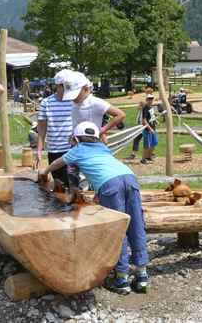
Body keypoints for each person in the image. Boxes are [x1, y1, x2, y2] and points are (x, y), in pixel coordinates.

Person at [39, 122, 149, 294]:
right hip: (130, 178)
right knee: (135, 224)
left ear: (76, 138)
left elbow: (56, 164)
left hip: (110, 185)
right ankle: (142, 274)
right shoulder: (103, 148)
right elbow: (100, 169)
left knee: (116, 229)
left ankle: (122, 279)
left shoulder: (77, 150)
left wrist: (44, 173)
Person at [35, 69, 75, 188]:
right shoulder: (46, 103)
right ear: (58, 86)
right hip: (55, 150)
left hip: (72, 150)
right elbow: (41, 130)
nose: (69, 89)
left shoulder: (74, 101)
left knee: (73, 185)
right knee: (60, 186)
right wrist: (39, 151)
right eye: (66, 86)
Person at [62, 71, 125, 141]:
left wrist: (103, 130)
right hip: (77, 143)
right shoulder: (73, 103)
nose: (73, 98)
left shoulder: (95, 102)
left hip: (92, 143)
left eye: (75, 95)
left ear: (85, 89)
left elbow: (120, 114)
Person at [140, 94, 158, 165]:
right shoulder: (145, 108)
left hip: (153, 128)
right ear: (146, 100)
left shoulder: (151, 107)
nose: (150, 100)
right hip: (148, 130)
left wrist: (155, 121)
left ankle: (149, 156)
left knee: (154, 143)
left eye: (151, 99)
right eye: (149, 99)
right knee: (147, 145)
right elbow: (144, 120)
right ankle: (143, 159)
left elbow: (151, 117)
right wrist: (150, 129)